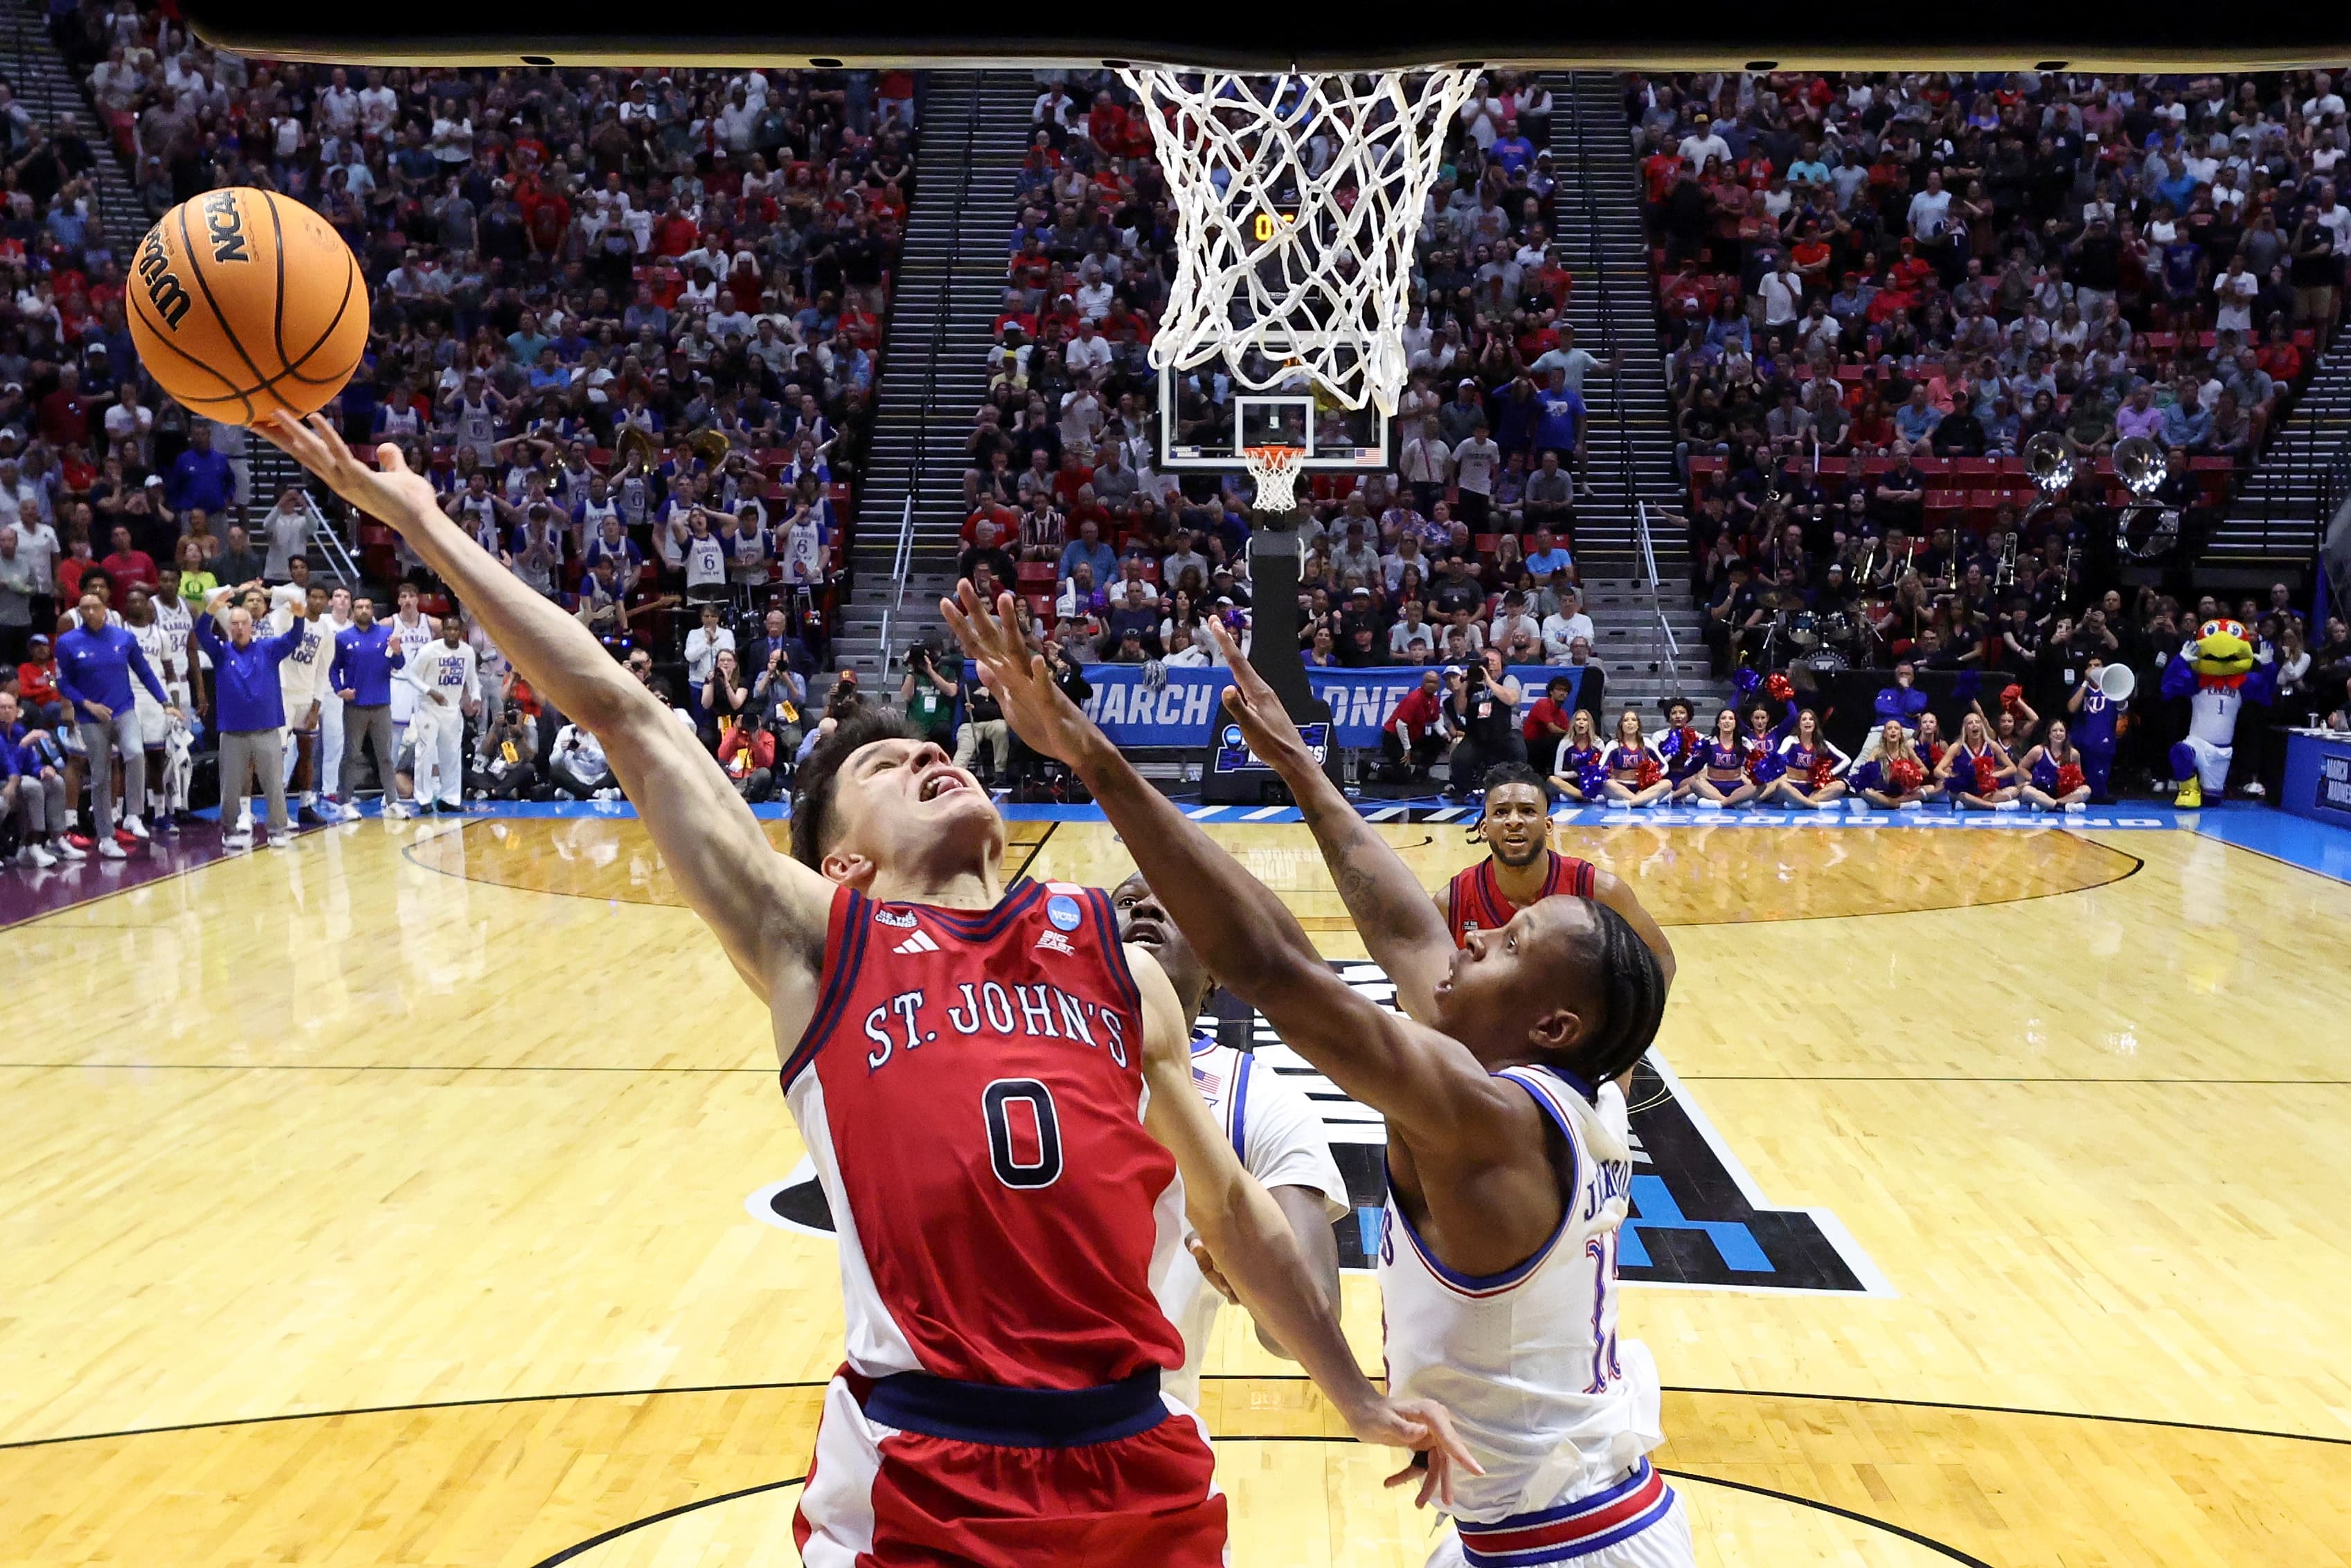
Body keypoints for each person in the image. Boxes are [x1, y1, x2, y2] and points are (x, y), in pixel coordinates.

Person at [256, 415, 1469, 1565]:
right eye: (890, 768)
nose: (931, 755)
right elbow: (626, 714)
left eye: (931, 747)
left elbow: (1236, 1215)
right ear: (842, 863)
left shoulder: (1111, 956)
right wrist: (416, 519)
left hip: (1138, 1462)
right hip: (924, 1471)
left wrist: (1354, 1396)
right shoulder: (820, 944)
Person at [945, 592, 1691, 1568]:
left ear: (1548, 1022)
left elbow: (1270, 967)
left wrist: (1091, 755)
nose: (1469, 932)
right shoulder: (1548, 1079)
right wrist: (1296, 762)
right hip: (1552, 1522)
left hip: (1565, 1549)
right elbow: (1402, 931)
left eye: (1506, 943)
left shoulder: (1486, 1117)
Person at [1112, 872, 1348, 1406]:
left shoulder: (1259, 1100)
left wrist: (1257, 1282)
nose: (1145, 911)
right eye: (1127, 903)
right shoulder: (1006, 1054)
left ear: (1214, 976)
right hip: (965, 1416)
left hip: (1144, 1426)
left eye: (1168, 903)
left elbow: (1311, 1321)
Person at [53, 588, 175, 857]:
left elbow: (144, 670)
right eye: (84, 608)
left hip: (123, 710)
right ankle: (106, 837)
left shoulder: (124, 638)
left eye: (94, 607)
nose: (90, 612)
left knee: (135, 753)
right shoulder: (68, 642)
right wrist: (86, 705)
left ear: (106, 609)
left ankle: (133, 814)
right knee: (99, 776)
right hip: (91, 717)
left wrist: (164, 701)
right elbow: (63, 682)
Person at [193, 586, 308, 850]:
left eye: (244, 623)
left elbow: (294, 638)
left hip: (267, 729)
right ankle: (230, 830)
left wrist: (300, 616)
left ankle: (277, 829)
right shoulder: (221, 653)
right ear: (229, 628)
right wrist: (211, 609)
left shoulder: (268, 649)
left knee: (273, 784)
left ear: (251, 626)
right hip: (233, 732)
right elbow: (200, 632)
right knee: (230, 786)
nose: (239, 628)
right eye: (234, 624)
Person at [329, 595, 406, 813]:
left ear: (373, 611)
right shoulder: (343, 638)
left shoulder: (386, 635)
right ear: (353, 611)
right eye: (359, 607)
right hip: (355, 706)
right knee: (351, 755)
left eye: (367, 607)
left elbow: (399, 664)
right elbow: (334, 668)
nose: (363, 610)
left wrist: (398, 651)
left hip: (381, 704)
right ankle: (344, 801)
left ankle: (393, 802)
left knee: (386, 756)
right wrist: (339, 689)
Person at [401, 613, 481, 813]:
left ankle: (451, 798)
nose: (452, 632)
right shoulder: (429, 651)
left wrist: (475, 696)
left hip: (452, 709)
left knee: (452, 754)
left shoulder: (468, 652)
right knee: (426, 753)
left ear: (461, 631)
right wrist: (430, 691)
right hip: (429, 708)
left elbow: (471, 678)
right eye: (448, 629)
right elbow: (409, 674)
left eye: (456, 629)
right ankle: (424, 798)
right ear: (442, 631)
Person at [1, 690, 77, 866]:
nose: (6, 711)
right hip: (5, 782)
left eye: (10, 707)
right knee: (32, 786)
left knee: (55, 781)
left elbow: (30, 764)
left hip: (17, 779)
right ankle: (32, 844)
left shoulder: (19, 730)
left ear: (16, 710)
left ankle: (56, 839)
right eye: (2, 708)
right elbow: (10, 768)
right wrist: (23, 745)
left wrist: (42, 769)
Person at [1848, 721, 1931, 809]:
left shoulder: (1907, 750)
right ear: (1884, 734)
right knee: (1866, 791)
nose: (1893, 731)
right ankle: (1899, 805)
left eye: (1896, 728)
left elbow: (1925, 771)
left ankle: (1883, 803)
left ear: (1900, 734)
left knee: (1930, 788)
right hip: (1883, 790)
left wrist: (1908, 772)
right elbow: (1866, 771)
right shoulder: (1878, 751)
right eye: (1889, 728)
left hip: (1903, 792)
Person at [2017, 719, 2091, 812]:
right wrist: (2033, 778)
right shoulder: (2038, 750)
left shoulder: (2074, 754)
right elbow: (2021, 767)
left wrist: (2071, 784)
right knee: (2026, 790)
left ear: (2066, 734)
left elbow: (2079, 778)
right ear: (2049, 735)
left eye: (2061, 731)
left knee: (2087, 790)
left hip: (2064, 794)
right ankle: (2063, 807)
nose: (2058, 733)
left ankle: (2048, 805)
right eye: (2054, 731)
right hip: (2041, 791)